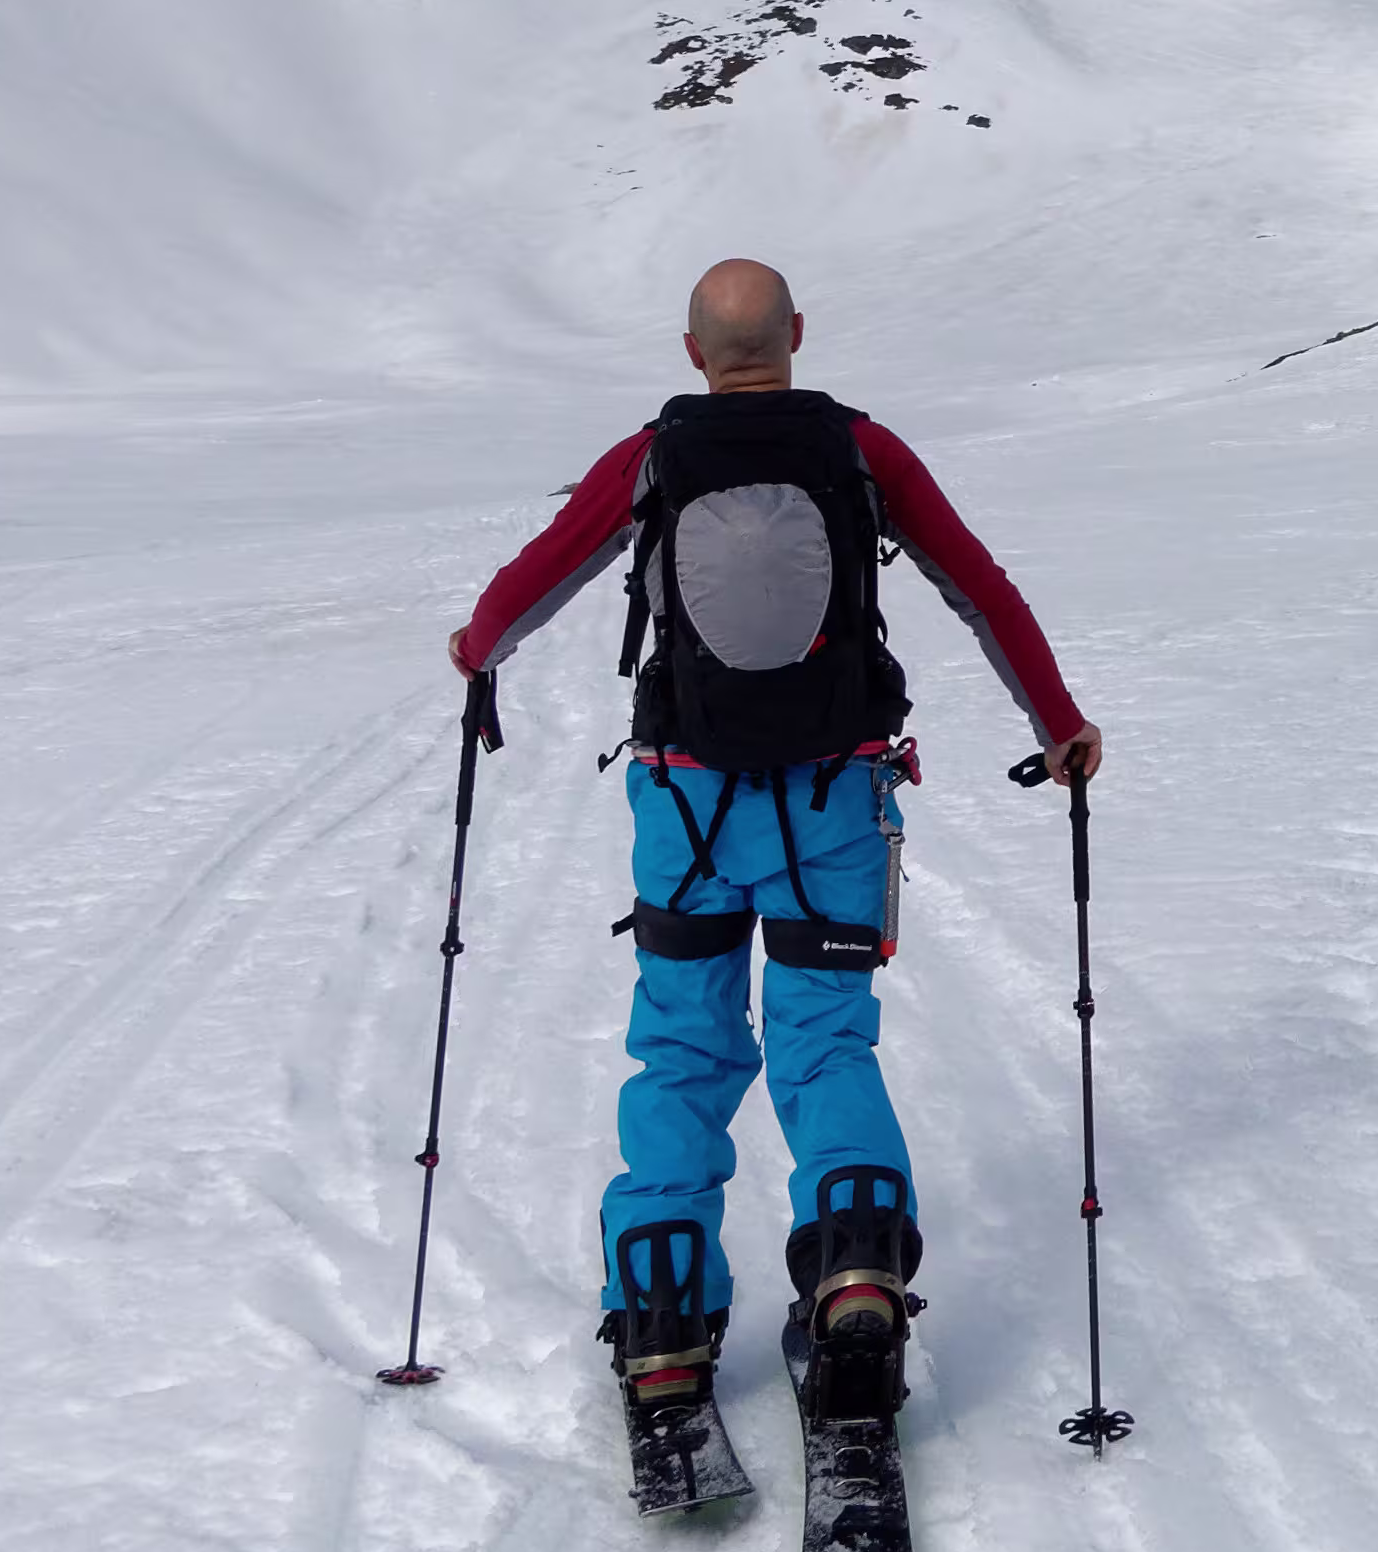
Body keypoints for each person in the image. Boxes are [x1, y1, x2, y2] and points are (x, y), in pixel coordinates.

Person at [444, 257, 1102, 1467]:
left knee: (685, 1051)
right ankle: (856, 1276)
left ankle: (661, 1329)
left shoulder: (650, 457)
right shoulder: (864, 452)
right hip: (833, 798)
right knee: (824, 1043)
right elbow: (981, 589)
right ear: (797, 333)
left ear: (693, 352)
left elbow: (532, 582)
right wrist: (1056, 724)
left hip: (685, 805)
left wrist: (476, 648)